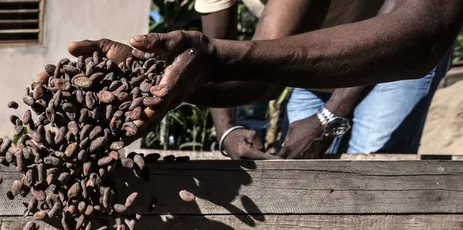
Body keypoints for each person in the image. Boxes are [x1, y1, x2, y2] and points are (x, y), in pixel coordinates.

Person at [68, 0, 463, 152]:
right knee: (308, 176)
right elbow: (239, 62)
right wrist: (154, 78)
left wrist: (330, 116)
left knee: (370, 166)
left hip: (393, 50)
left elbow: (422, 35)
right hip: (308, 58)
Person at [196, 0, 451, 159]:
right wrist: (226, 130)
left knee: (371, 163)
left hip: (402, 46)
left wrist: (328, 117)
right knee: (300, 169)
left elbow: (406, 22)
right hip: (312, 52)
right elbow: (213, 55)